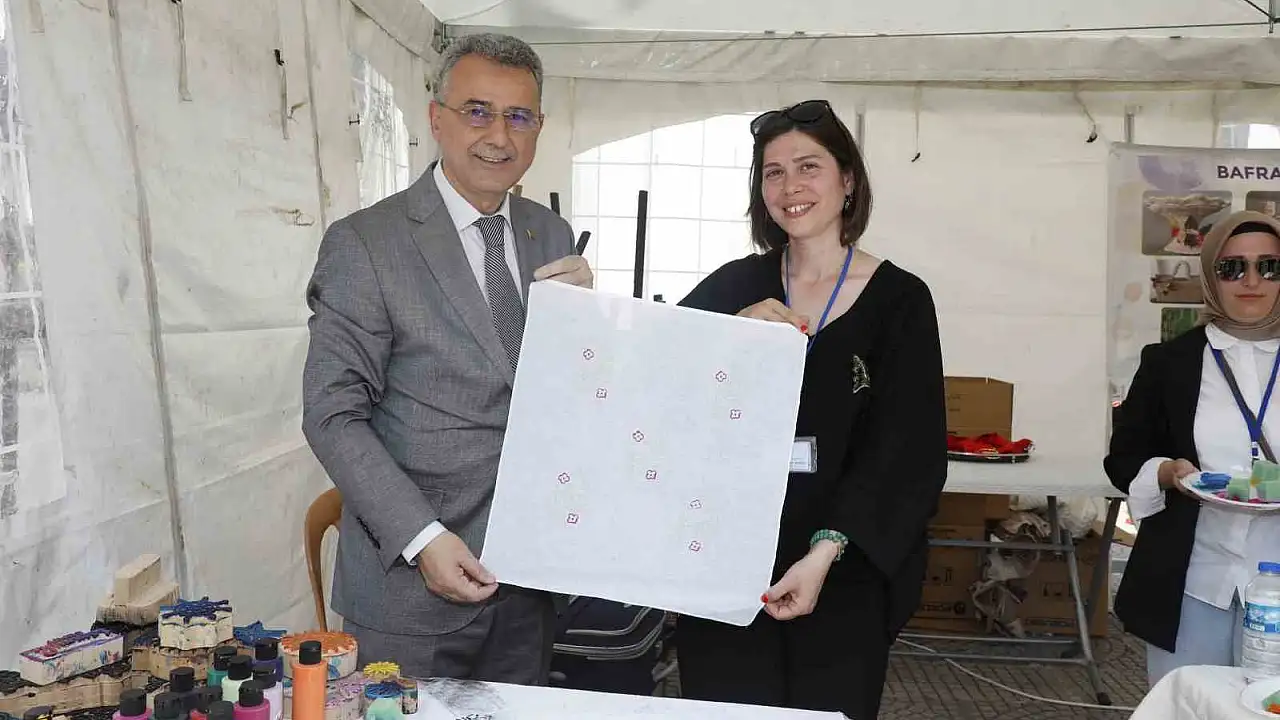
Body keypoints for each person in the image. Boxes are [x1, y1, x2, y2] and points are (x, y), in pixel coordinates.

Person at [301, 33, 591, 682]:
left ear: (539, 128)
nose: (498, 136)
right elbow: (332, 414)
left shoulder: (552, 234)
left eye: (519, 117)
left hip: (528, 582)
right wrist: (422, 538)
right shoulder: (365, 244)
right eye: (477, 111)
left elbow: (566, 393)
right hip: (411, 589)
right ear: (436, 118)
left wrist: (588, 329)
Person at [674, 99, 949, 719]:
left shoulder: (900, 301)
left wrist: (825, 552)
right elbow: (653, 385)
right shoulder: (733, 286)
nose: (790, 187)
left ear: (847, 180)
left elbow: (907, 450)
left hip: (845, 566)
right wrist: (728, 338)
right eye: (773, 173)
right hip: (724, 562)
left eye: (808, 167)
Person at [1106, 210, 1280, 687]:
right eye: (1232, 267)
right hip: (1192, 580)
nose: (1251, 281)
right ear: (1210, 276)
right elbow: (1123, 457)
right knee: (1187, 705)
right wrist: (1165, 471)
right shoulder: (1168, 363)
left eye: (1269, 267)